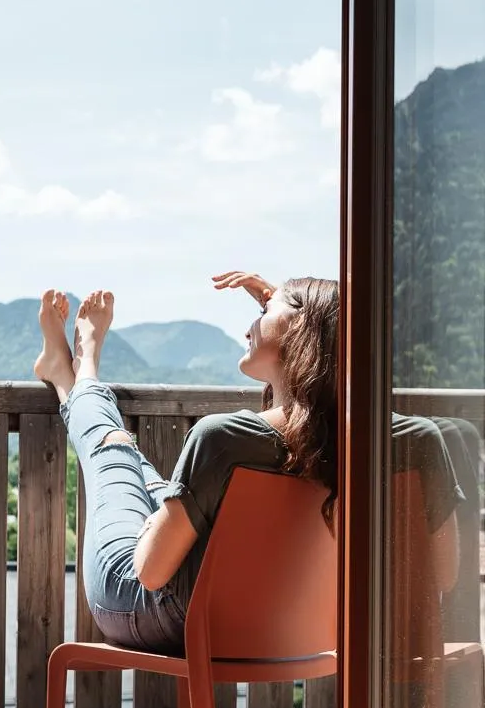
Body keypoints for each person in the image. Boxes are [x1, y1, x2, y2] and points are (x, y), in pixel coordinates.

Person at [32, 273, 340, 657]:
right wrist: (301, 310)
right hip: (280, 624)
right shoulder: (355, 444)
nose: (248, 330)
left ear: (299, 328)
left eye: (265, 311)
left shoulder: (224, 440)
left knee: (110, 453)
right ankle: (67, 378)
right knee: (130, 460)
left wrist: (152, 528)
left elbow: (149, 572)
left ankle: (81, 370)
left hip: (162, 611)